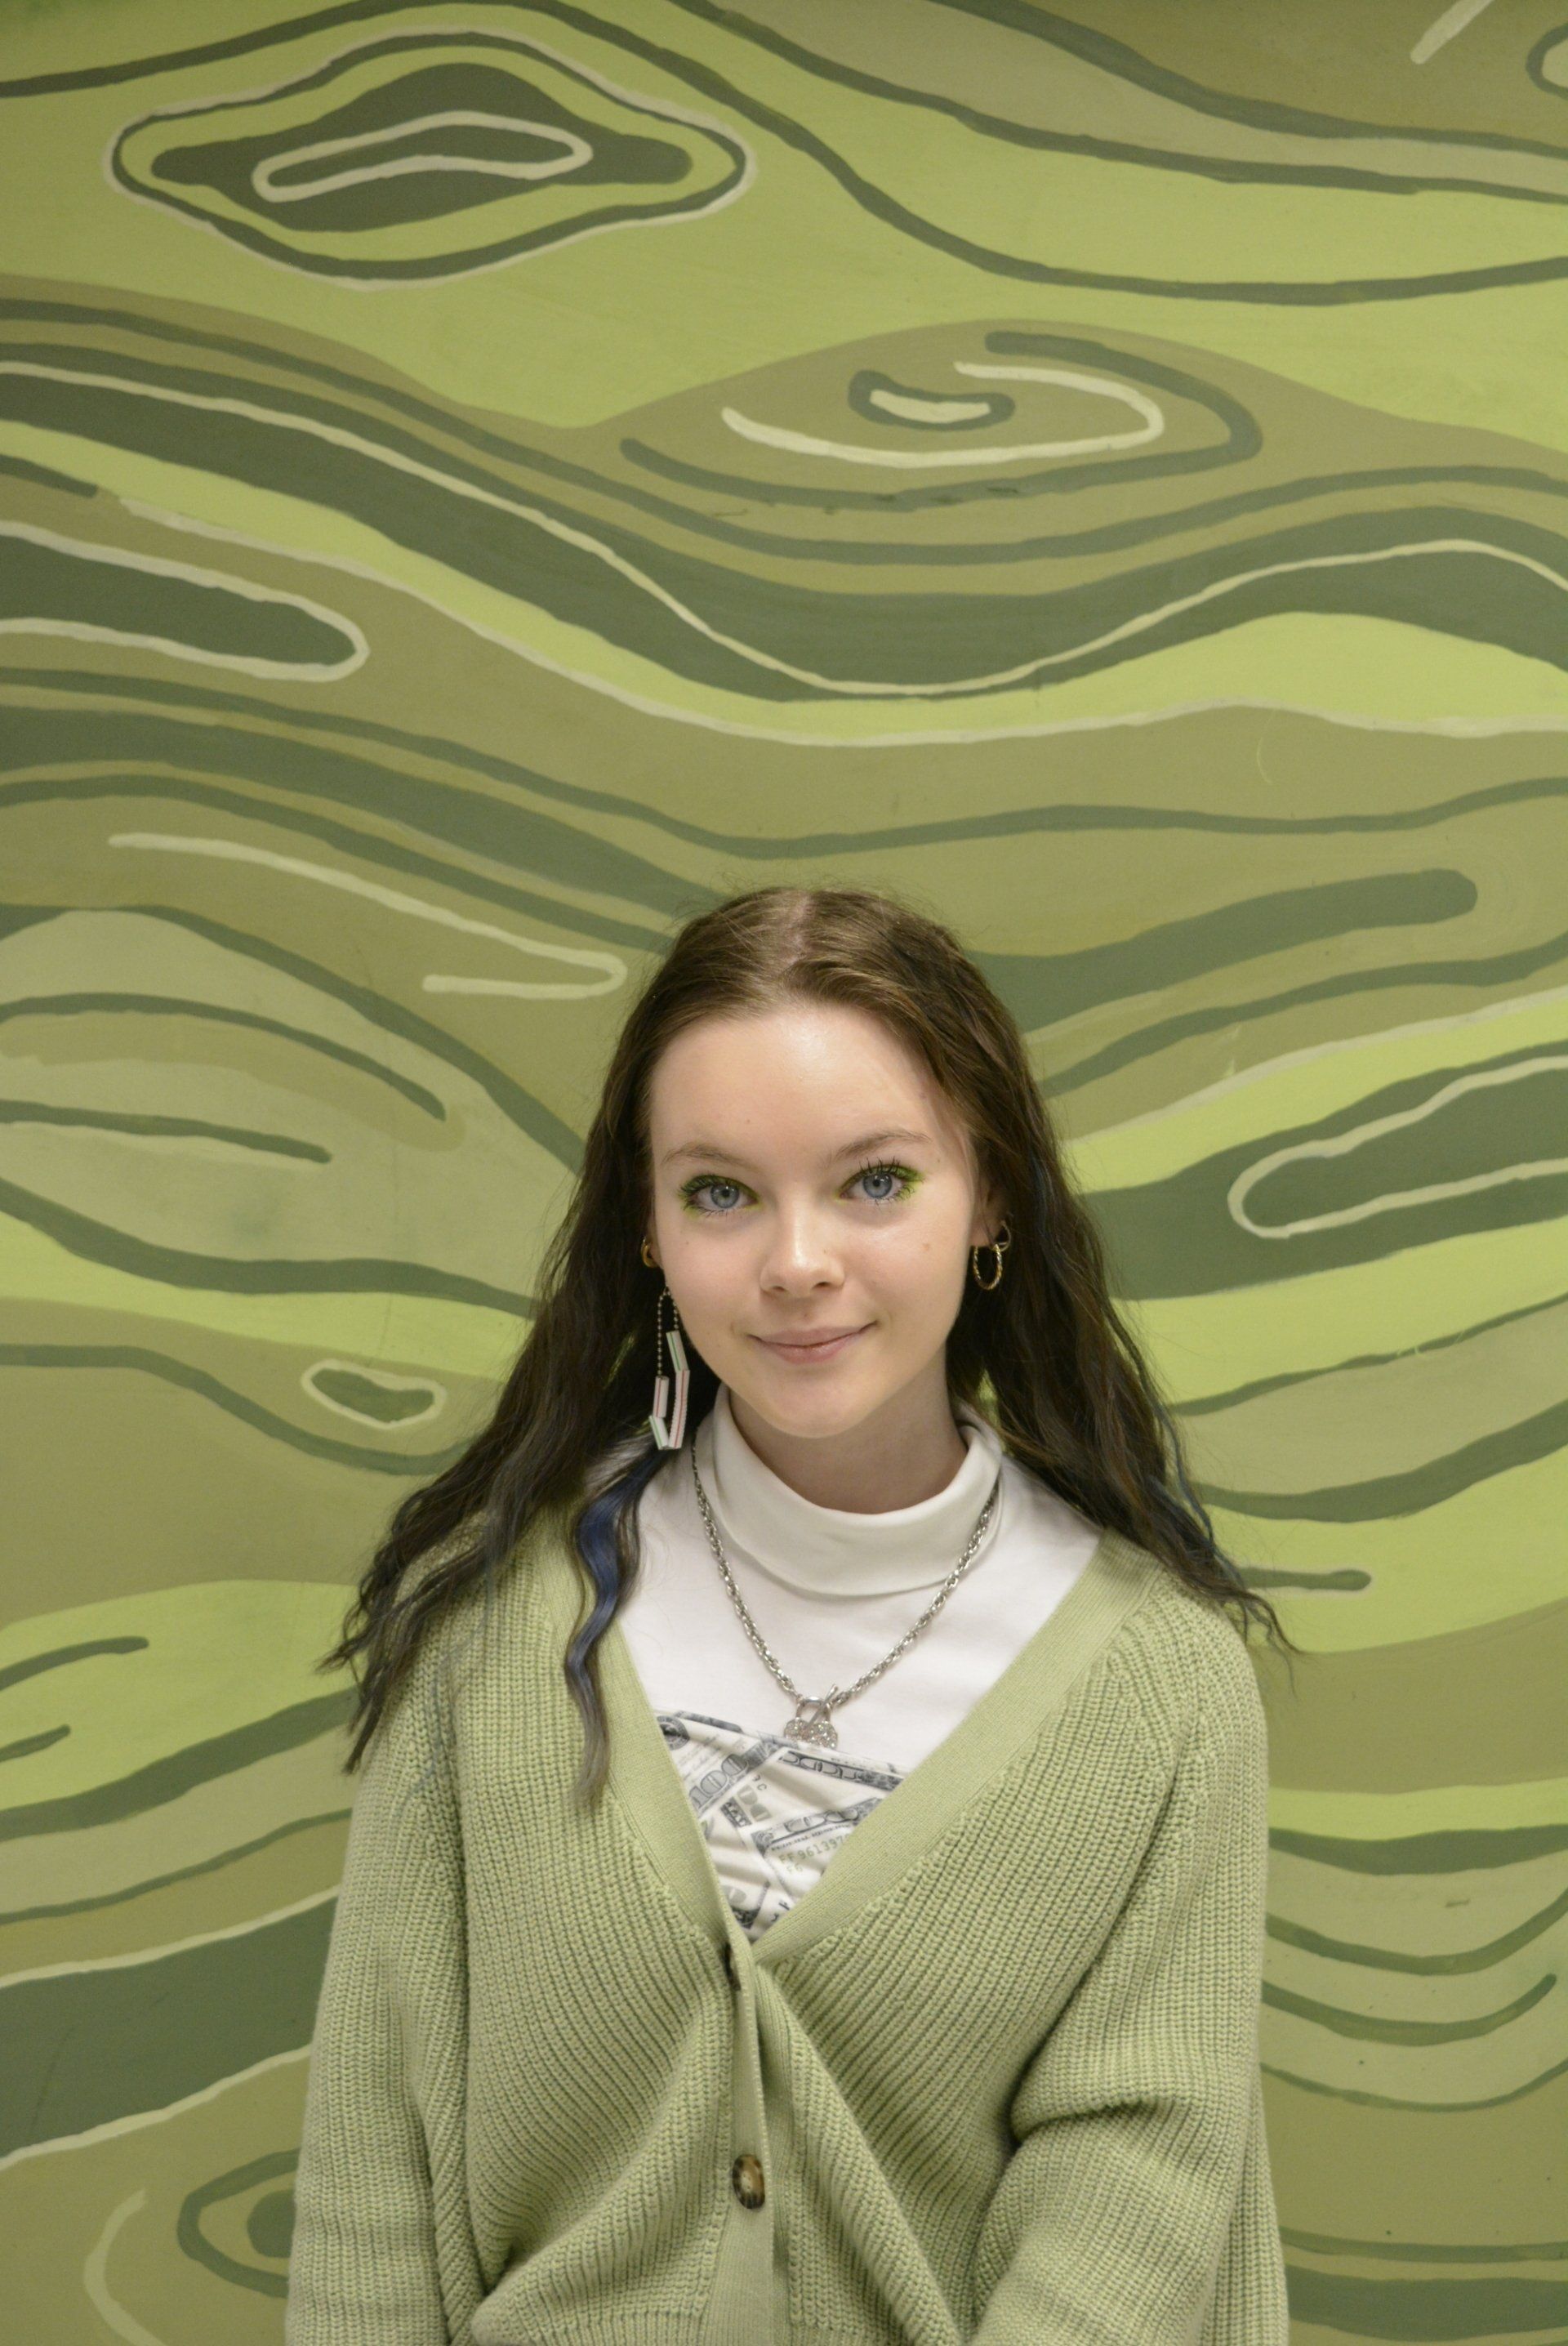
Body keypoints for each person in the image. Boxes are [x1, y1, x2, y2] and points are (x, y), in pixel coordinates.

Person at [285, 884, 1300, 2345]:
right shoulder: (489, 1625)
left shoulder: (1163, 1687)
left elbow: (1135, 2195)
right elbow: (373, 2185)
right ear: (646, 1226)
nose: (797, 1263)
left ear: (991, 1196)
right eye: (721, 1192)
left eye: (875, 1182)